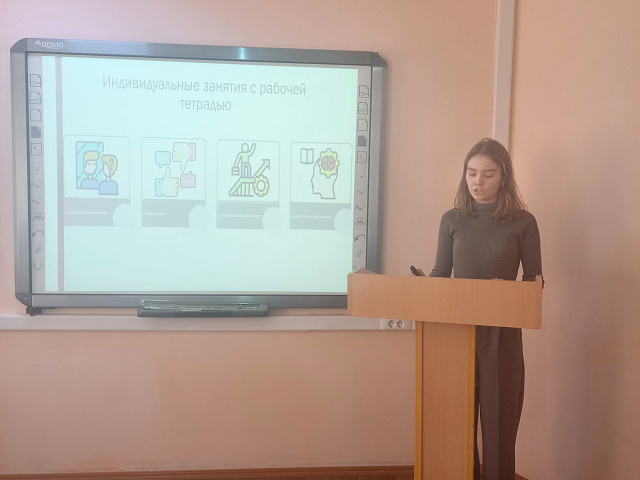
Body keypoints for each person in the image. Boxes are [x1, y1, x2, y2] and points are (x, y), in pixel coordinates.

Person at [427, 138, 543, 480]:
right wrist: (421, 286)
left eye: (488, 174)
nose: (477, 182)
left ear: (504, 177)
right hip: (455, 333)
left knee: (499, 427)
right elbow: (440, 274)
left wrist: (502, 292)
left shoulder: (523, 222)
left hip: (501, 336)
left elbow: (534, 282)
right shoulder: (451, 220)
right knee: (456, 427)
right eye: (471, 172)